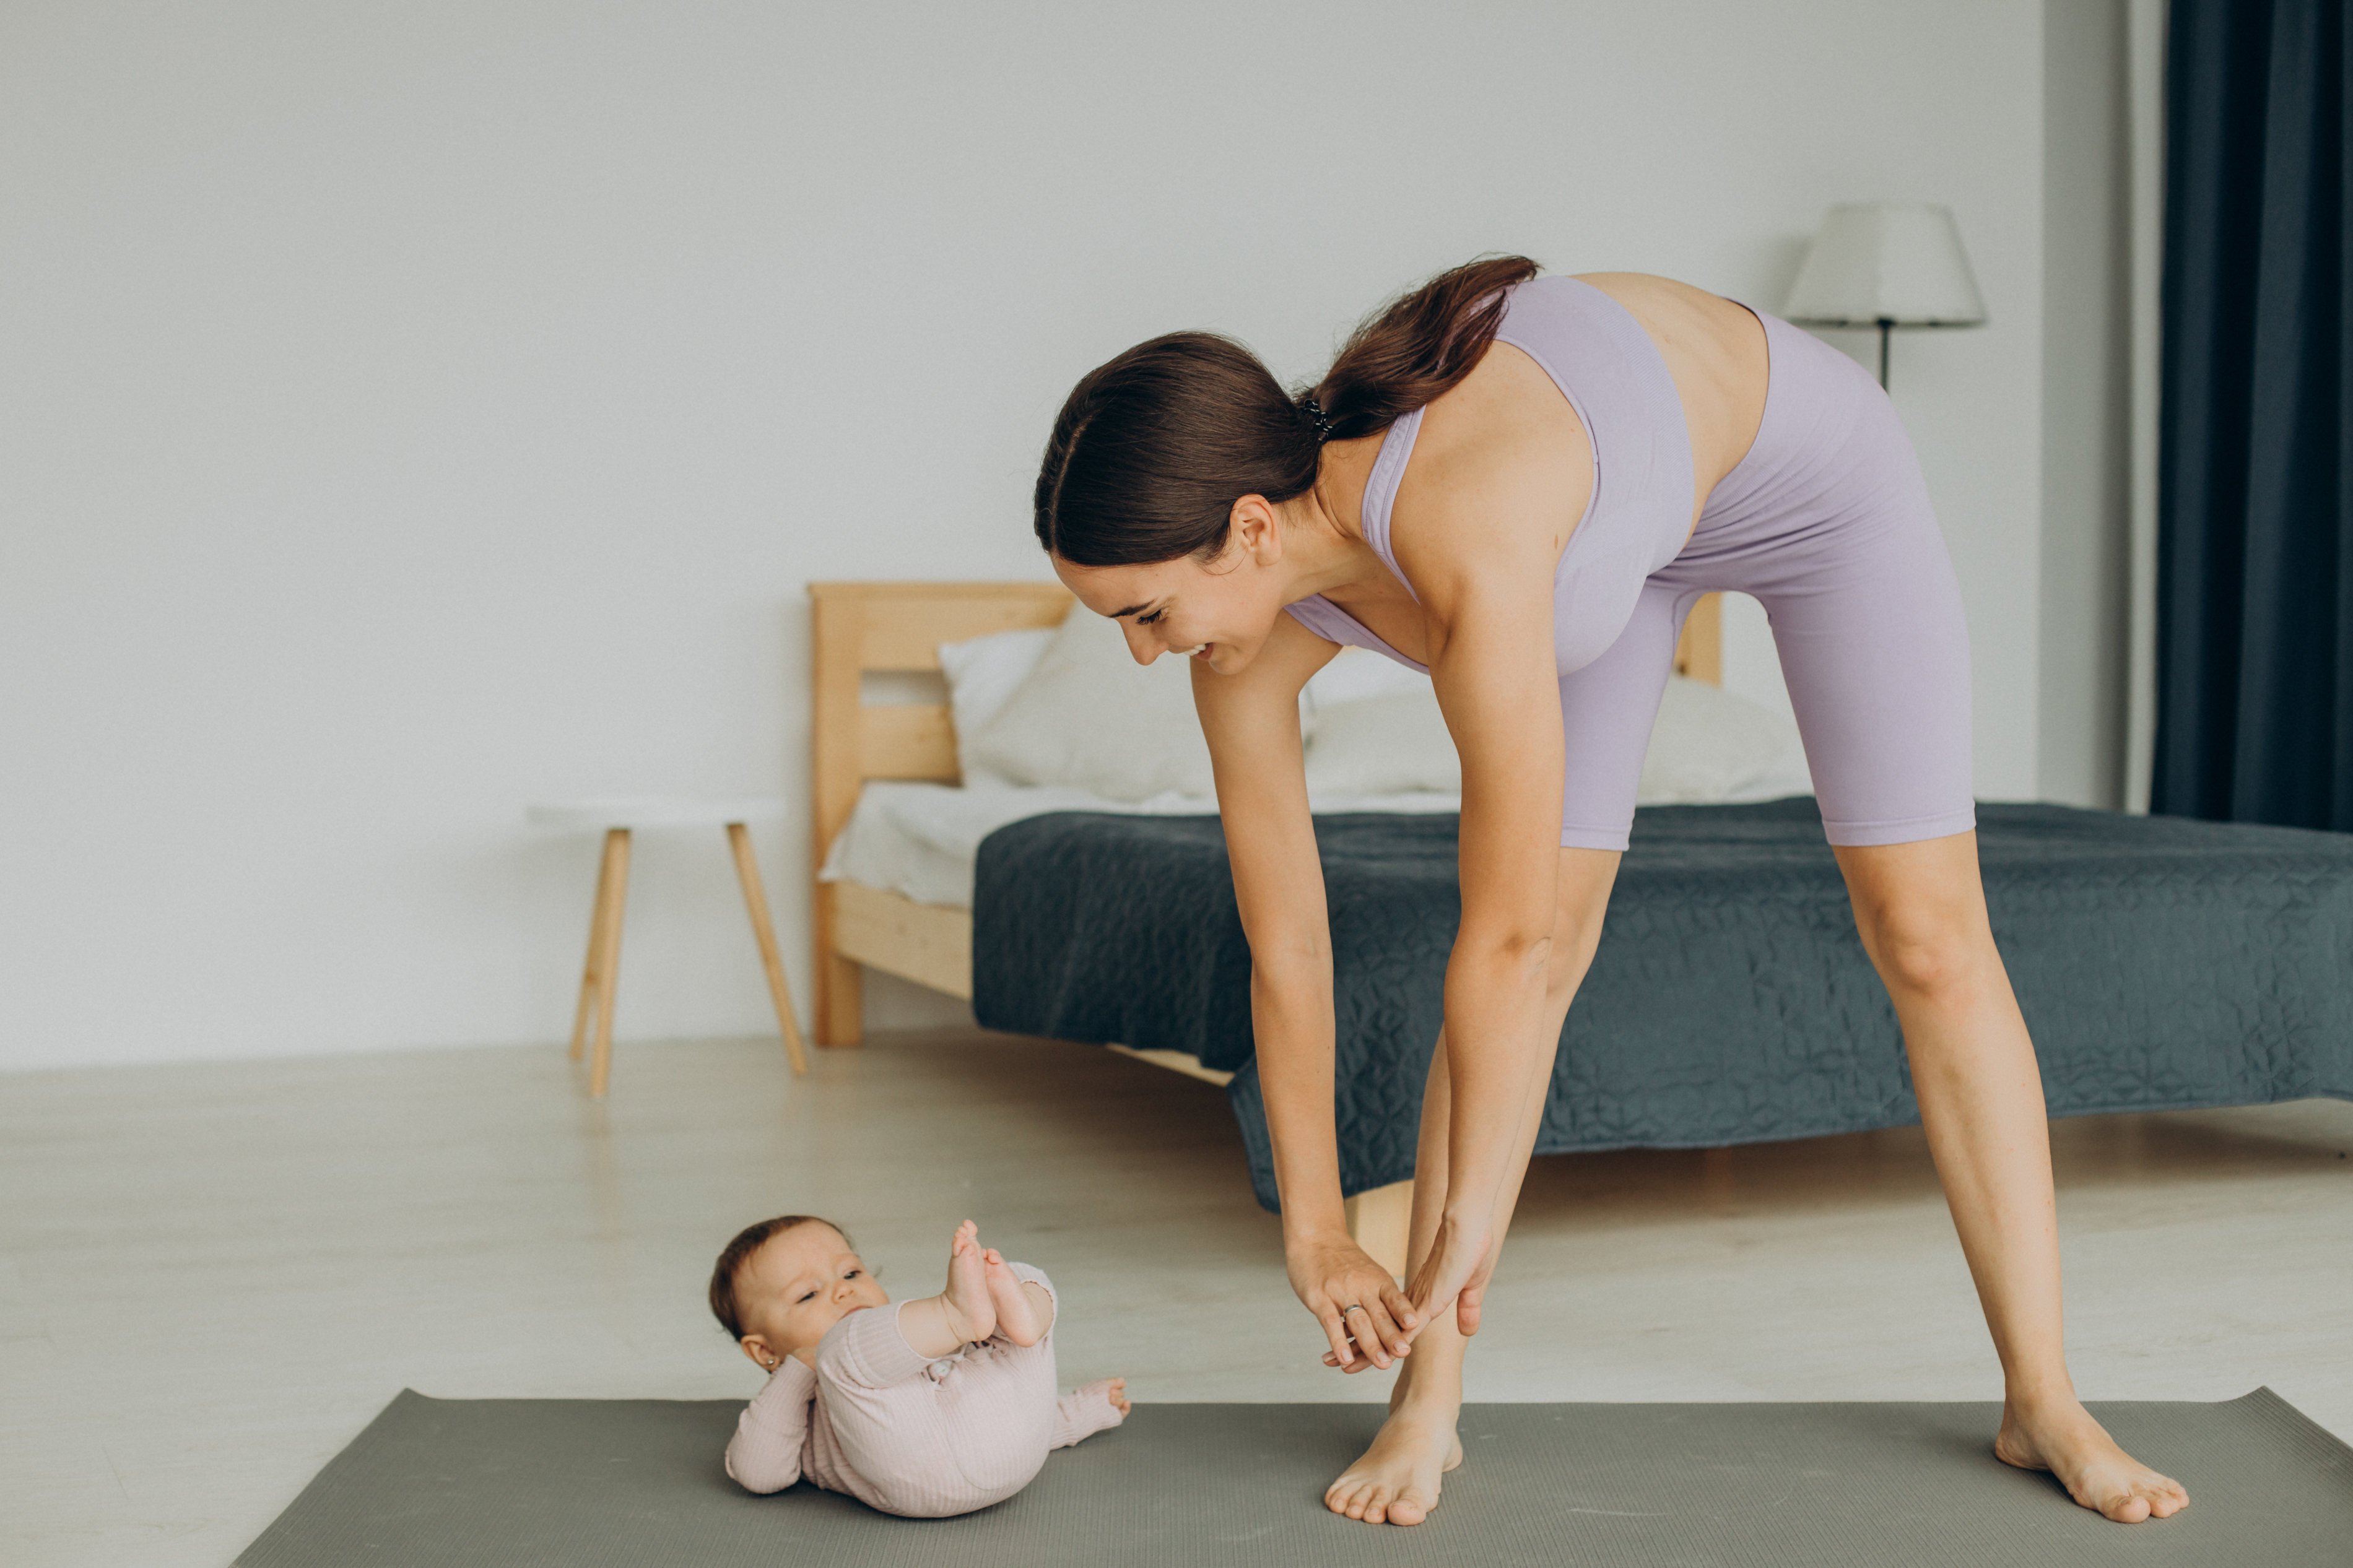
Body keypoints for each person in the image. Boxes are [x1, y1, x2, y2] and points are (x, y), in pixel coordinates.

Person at [1030, 258, 2188, 1528]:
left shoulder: (1463, 527)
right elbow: (1290, 947)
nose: (1143, 652)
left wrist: (1467, 1212)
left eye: (1144, 613)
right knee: (1544, 945)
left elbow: (1504, 938)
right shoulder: (1243, 648)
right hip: (1596, 554)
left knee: (1926, 939)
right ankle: (1426, 1406)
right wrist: (1314, 1226)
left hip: (1801, 484)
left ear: (1252, 527)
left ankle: (2046, 1398)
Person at [711, 1216, 1128, 1517]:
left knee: (1018, 1278)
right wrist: (798, 1370)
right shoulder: (802, 1405)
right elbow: (758, 1471)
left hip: (1020, 1451)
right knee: (841, 1347)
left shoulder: (912, 1340)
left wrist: (1079, 1413)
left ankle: (1022, 1320)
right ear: (764, 1350)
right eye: (808, 1295)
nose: (844, 1290)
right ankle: (964, 1314)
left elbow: (1004, 1408)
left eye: (852, 1272)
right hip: (920, 1484)